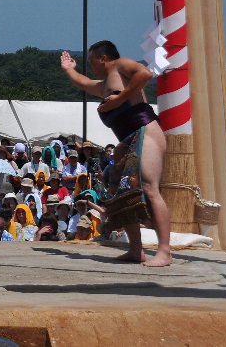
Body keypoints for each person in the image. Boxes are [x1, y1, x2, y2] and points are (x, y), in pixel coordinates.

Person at [61, 41, 172, 267]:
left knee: (150, 188)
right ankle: (135, 249)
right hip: (127, 139)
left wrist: (121, 98)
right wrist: (68, 69)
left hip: (146, 132)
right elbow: (82, 82)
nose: (90, 67)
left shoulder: (120, 66)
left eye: (91, 61)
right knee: (121, 194)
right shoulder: (104, 86)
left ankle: (165, 251)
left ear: (103, 58)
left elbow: (145, 74)